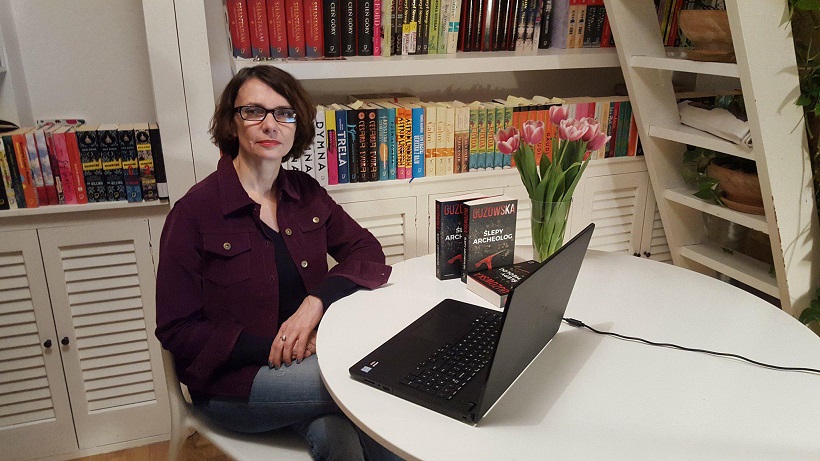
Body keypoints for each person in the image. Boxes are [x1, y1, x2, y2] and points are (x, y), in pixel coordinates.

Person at [155, 65, 398, 461]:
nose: (270, 124)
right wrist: (274, 347)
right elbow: (177, 329)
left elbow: (366, 251)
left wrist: (317, 301)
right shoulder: (194, 212)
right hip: (234, 384)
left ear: (296, 126)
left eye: (284, 113)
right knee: (369, 382)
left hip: (314, 357)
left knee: (339, 437)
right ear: (232, 122)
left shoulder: (305, 193)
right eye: (254, 111)